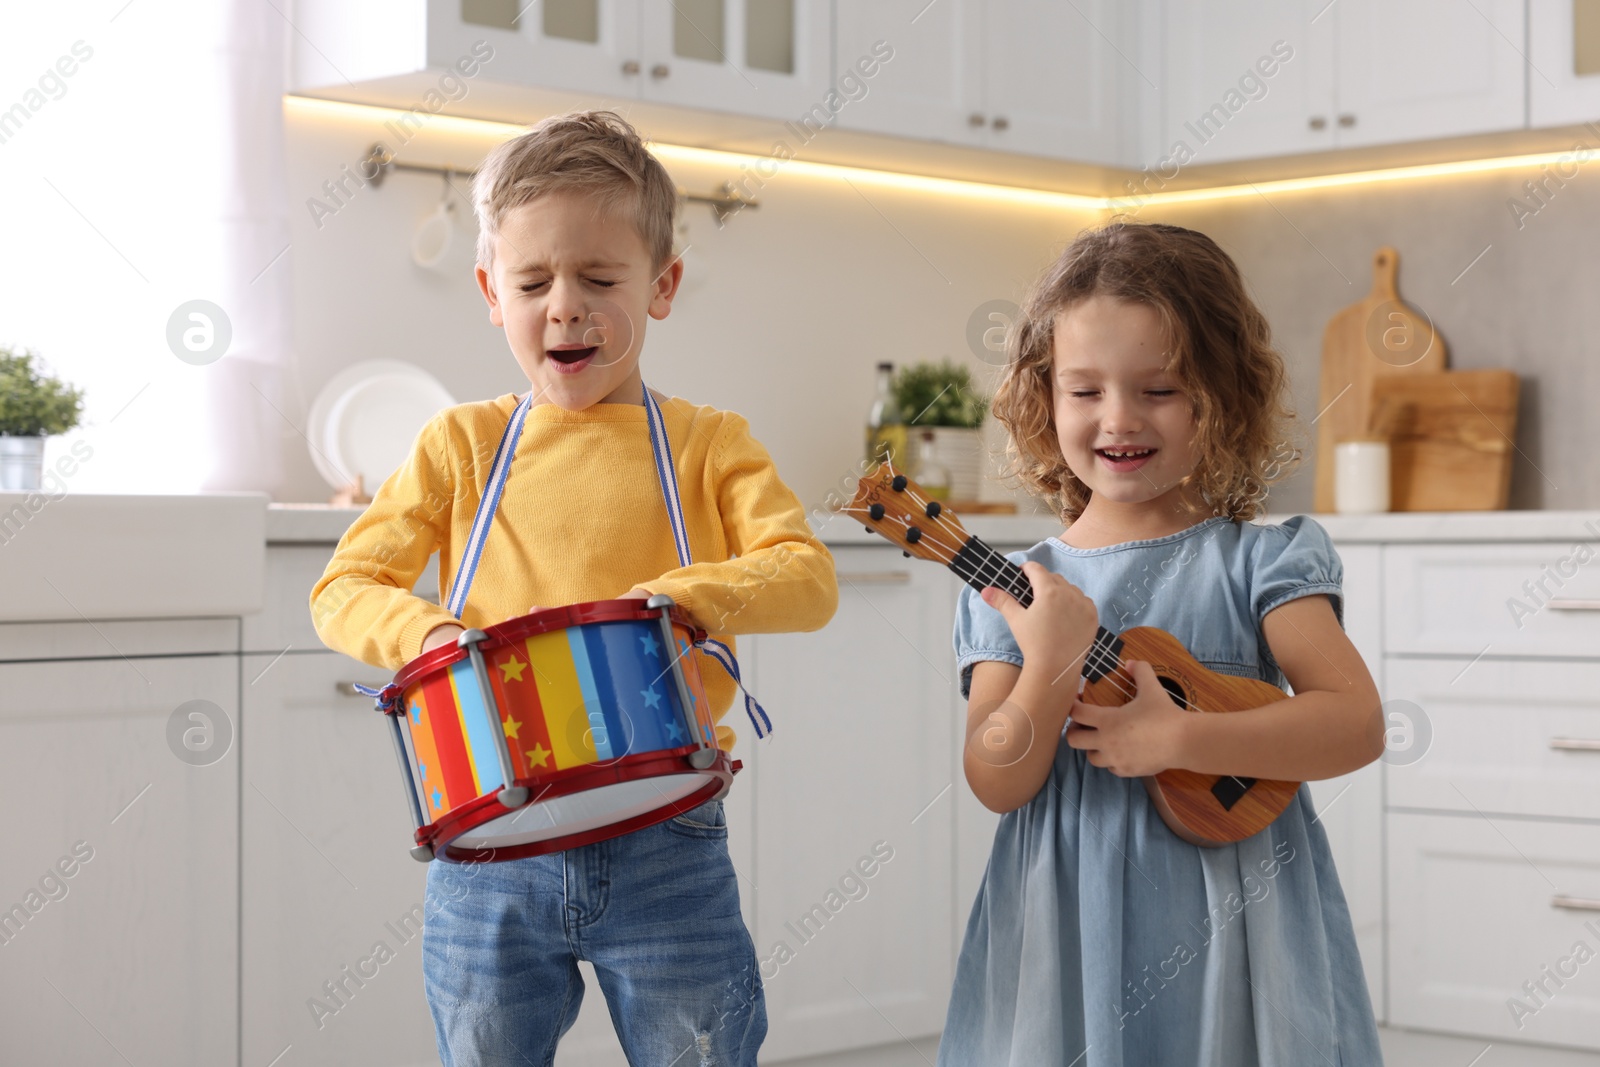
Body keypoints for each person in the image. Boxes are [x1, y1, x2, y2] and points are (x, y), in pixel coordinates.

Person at [309, 109, 838, 1067]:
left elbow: (808, 578)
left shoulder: (709, 444)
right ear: (489, 290)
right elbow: (344, 585)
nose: (565, 305)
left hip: (669, 833)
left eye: (600, 278)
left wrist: (691, 595)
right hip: (489, 845)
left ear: (663, 285)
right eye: (532, 281)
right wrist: (427, 635)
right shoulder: (459, 446)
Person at [939, 220, 1385, 1066]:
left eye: (1159, 389)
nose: (1119, 418)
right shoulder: (1018, 587)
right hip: (1068, 921)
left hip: (1240, 922)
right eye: (1085, 390)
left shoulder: (1261, 562)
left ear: (1220, 394)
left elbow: (1357, 723)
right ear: (1044, 397)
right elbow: (995, 776)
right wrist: (1051, 663)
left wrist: (1183, 737)